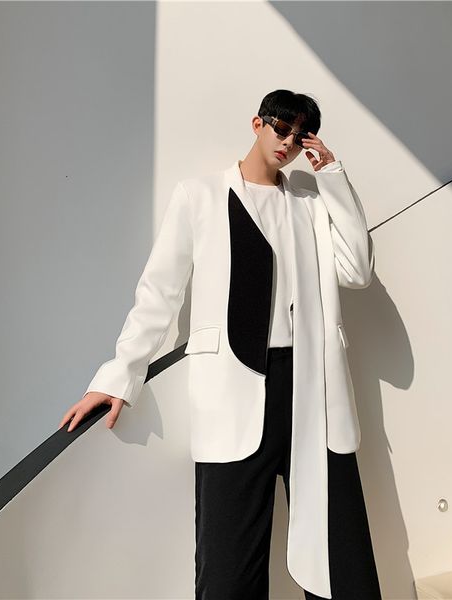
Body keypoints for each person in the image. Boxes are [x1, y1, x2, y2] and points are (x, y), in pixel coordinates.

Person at [59, 89, 381, 600]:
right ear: (258, 123)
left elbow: (358, 270)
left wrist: (333, 175)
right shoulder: (199, 196)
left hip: (314, 389)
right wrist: (121, 373)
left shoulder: (310, 203)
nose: (288, 142)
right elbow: (159, 292)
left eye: (300, 136)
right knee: (229, 567)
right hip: (235, 389)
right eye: (281, 128)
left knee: (339, 557)